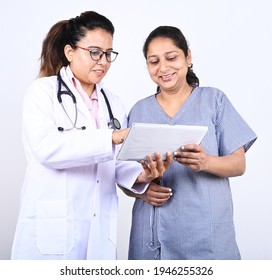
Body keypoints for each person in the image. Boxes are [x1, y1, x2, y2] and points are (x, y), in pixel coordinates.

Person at [11, 12, 172, 260]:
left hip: (98, 236)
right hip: (52, 232)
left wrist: (144, 174)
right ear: (70, 52)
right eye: (94, 52)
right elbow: (45, 149)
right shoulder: (42, 93)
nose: (103, 61)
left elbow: (117, 165)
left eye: (108, 54)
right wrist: (110, 137)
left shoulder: (114, 103)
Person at [126, 26, 257, 260]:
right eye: (153, 61)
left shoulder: (213, 100)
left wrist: (205, 162)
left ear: (188, 56)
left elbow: (239, 164)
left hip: (204, 233)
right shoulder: (139, 111)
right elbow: (123, 174)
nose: (163, 68)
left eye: (171, 57)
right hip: (151, 234)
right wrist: (141, 191)